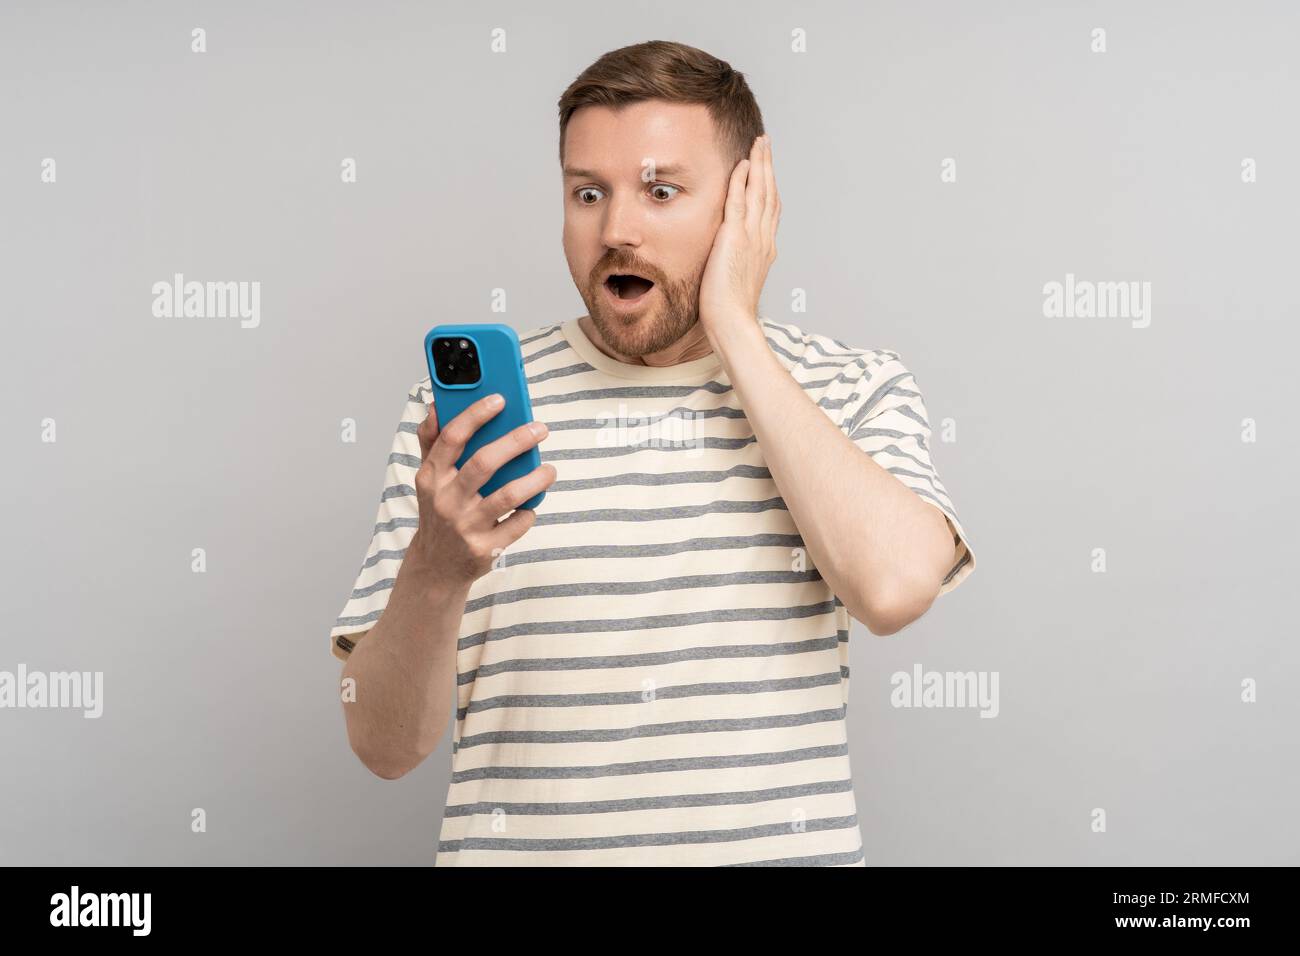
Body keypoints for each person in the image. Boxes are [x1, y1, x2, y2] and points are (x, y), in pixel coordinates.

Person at [329, 40, 976, 866]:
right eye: (587, 193)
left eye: (661, 191)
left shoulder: (850, 386)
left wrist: (735, 324)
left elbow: (891, 589)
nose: (617, 231)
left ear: (746, 205)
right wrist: (436, 567)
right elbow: (383, 746)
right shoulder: (465, 418)